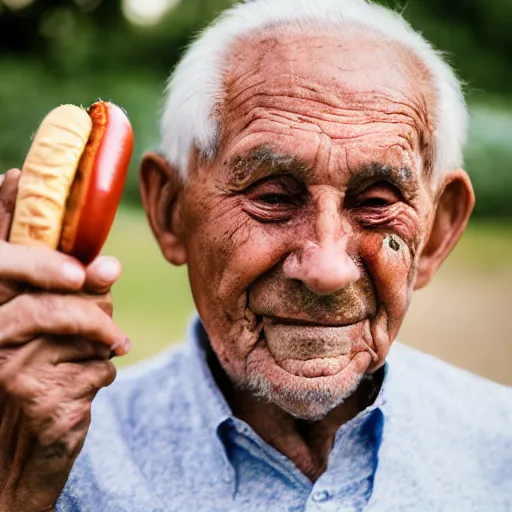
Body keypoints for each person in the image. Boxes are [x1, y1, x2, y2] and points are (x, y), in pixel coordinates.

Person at [0, 0, 510, 510]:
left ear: (438, 233)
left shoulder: (499, 451)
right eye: (272, 196)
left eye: (376, 202)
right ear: (171, 210)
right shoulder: (49, 452)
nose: (327, 270)